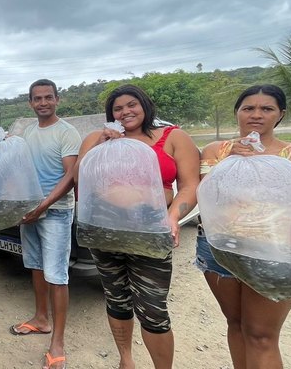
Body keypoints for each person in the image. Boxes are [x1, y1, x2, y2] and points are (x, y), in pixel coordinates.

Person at [197, 84, 291, 369]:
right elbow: (206, 198)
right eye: (248, 108)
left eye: (266, 109)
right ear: (237, 113)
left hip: (276, 254)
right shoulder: (215, 151)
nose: (256, 115)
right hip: (220, 250)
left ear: (280, 114)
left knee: (261, 336)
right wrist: (231, 160)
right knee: (236, 324)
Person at [76, 84, 199, 369]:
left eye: (132, 104)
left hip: (150, 232)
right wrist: (101, 144)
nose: (125, 111)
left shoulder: (173, 137)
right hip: (104, 231)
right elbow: (79, 175)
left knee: (153, 308)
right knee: (116, 298)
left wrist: (173, 216)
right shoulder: (99, 137)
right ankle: (126, 360)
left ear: (145, 105)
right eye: (118, 108)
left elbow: (190, 185)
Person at [10, 80, 81, 369]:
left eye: (48, 97)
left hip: (56, 212)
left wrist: (43, 206)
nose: (43, 103)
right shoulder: (27, 132)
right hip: (31, 211)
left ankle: (58, 342)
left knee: (57, 274)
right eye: (37, 98)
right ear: (30, 103)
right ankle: (41, 319)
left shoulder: (67, 132)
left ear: (57, 100)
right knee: (36, 266)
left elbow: (70, 177)